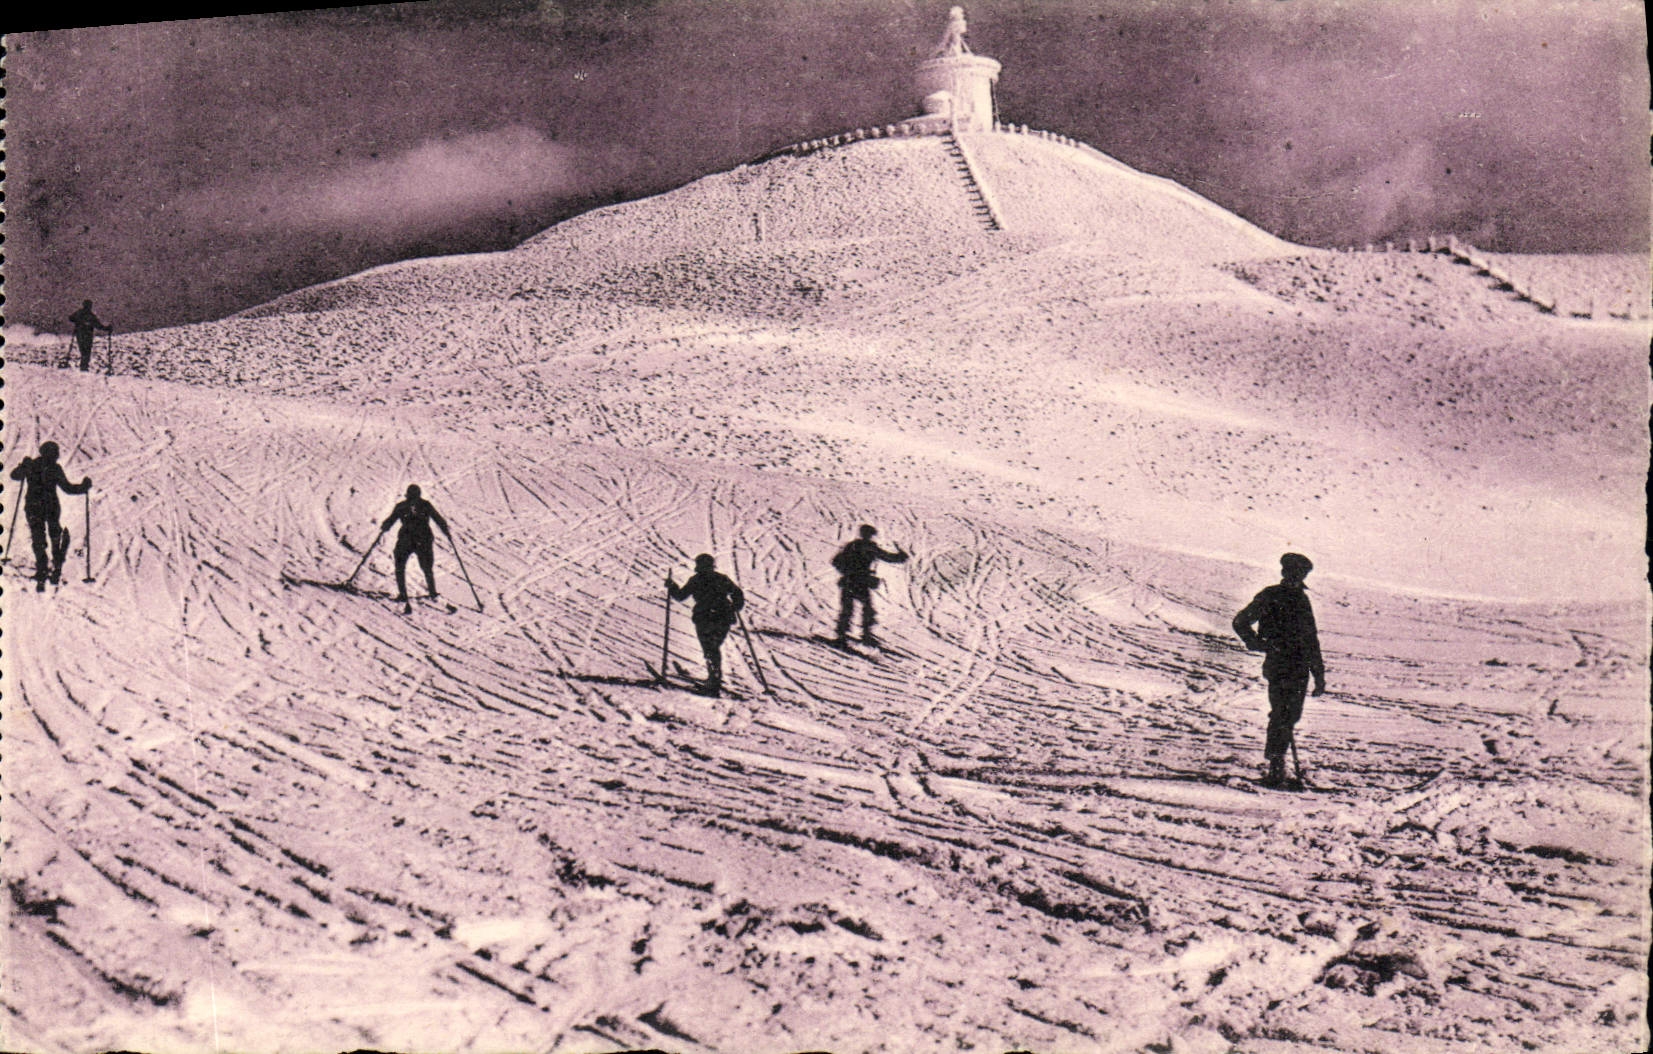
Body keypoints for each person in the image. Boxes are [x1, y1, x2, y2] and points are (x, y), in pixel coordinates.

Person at [1232, 553, 1326, 787]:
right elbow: (1241, 621)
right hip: (1279, 664)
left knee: (1291, 715)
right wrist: (1257, 643)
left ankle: (1278, 762)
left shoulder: (1303, 600)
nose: (1297, 578)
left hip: (1300, 666)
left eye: (1300, 575)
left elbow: (1311, 639)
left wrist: (1319, 674)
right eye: (1294, 574)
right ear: (1285, 573)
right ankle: (1276, 766)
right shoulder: (1270, 595)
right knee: (1281, 715)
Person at [9, 441, 92, 591]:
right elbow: (68, 488)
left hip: (34, 507)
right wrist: (84, 487)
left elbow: (15, 476)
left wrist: (23, 465)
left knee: (38, 537)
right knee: (55, 535)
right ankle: (56, 563)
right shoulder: (55, 468)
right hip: (51, 506)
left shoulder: (32, 465)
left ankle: (42, 568)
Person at [667, 554, 745, 696]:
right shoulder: (722, 579)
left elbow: (680, 596)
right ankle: (714, 677)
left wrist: (672, 586)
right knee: (713, 647)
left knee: (710, 648)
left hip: (705, 618)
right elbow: (738, 594)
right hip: (723, 617)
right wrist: (733, 607)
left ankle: (714, 680)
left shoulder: (696, 580)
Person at [831, 524, 909, 648]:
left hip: (849, 580)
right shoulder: (870, 547)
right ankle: (865, 635)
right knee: (866, 609)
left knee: (848, 609)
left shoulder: (852, 545)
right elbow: (888, 557)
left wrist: (846, 571)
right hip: (861, 581)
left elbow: (836, 561)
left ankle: (842, 635)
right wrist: (901, 556)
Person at [380, 484, 450, 610]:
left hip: (409, 539)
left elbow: (390, 520)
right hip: (421, 539)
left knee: (402, 566)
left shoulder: (402, 506)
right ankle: (431, 592)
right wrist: (446, 531)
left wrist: (385, 526)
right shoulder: (425, 505)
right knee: (425, 567)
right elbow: (438, 519)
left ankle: (404, 594)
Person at [68, 300, 113, 373]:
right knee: (86, 351)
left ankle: (84, 367)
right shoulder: (91, 316)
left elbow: (71, 318)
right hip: (87, 335)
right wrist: (107, 328)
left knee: (84, 351)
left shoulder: (80, 313)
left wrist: (77, 321)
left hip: (80, 334)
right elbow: (98, 326)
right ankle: (84, 367)